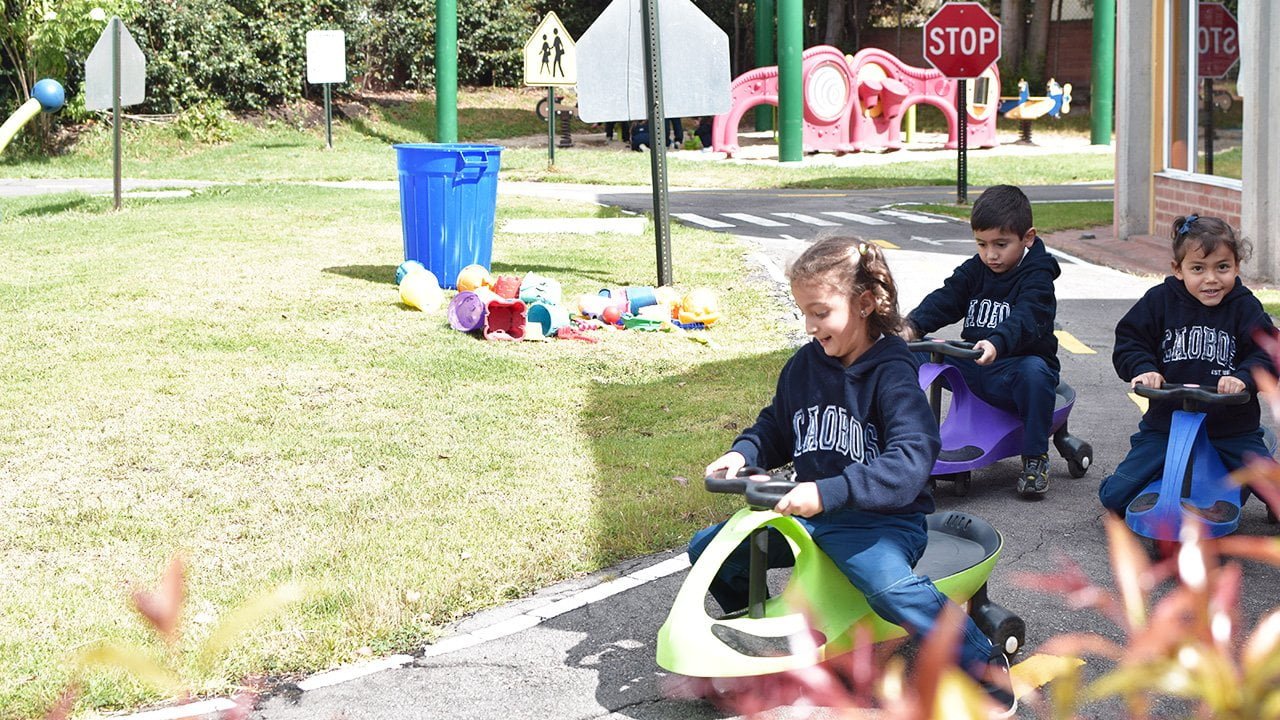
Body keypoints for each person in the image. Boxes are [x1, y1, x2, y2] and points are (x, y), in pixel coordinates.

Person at [688, 236, 1016, 716]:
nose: (809, 325)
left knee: (889, 590)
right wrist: (743, 453)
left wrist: (827, 491)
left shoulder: (894, 374)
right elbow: (777, 425)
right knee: (709, 550)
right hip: (812, 517)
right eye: (804, 312)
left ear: (864, 303)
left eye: (820, 312)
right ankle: (760, 644)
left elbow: (909, 461)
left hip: (881, 521)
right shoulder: (804, 366)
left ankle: (982, 664)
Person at [1100, 214, 1276, 513]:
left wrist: (1244, 377)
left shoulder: (1244, 306)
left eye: (1222, 267)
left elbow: (1268, 352)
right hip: (1166, 424)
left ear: (1236, 266)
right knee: (1115, 497)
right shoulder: (1160, 301)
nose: (1211, 279)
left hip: (1232, 427)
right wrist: (1144, 368)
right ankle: (1153, 478)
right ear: (1178, 270)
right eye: (1198, 268)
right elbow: (1131, 340)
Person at [899, 184, 1061, 498]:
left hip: (1013, 369)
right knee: (912, 352)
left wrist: (997, 342)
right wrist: (912, 326)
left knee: (1036, 373)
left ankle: (1035, 458)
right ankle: (904, 437)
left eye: (1001, 244)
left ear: (1027, 238)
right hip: (973, 364)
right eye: (981, 244)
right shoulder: (977, 269)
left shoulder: (1037, 276)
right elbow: (948, 297)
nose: (990, 254)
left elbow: (1028, 316)